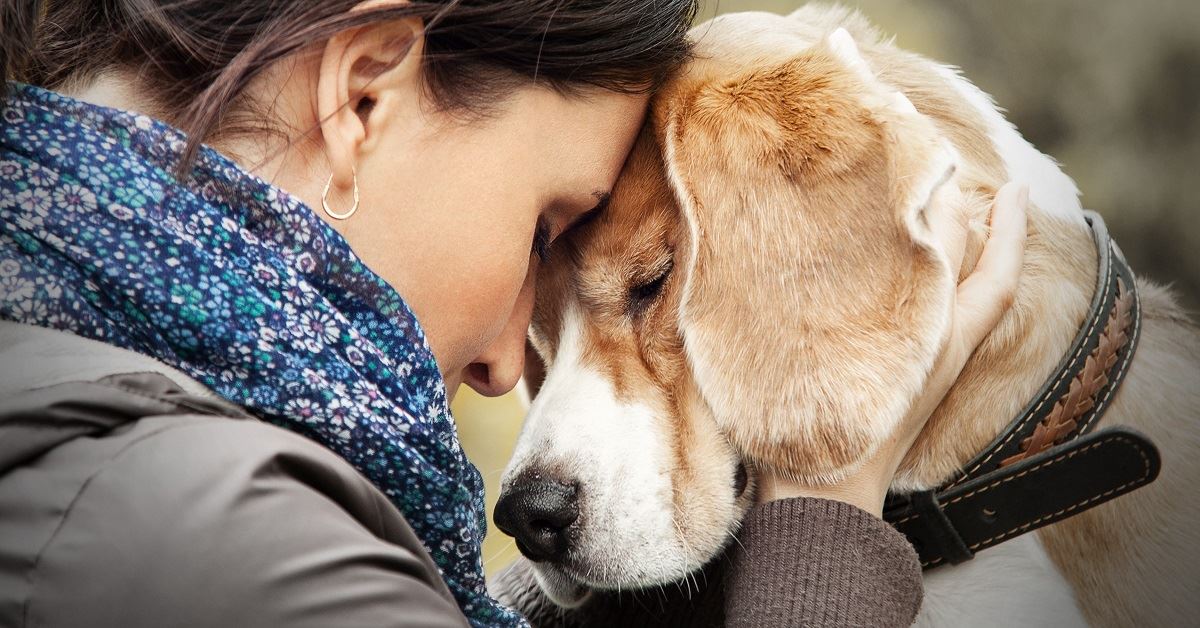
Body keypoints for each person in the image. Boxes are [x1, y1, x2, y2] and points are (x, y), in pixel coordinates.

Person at [0, 1, 1027, 626]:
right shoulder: (220, 541)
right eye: (548, 226)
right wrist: (826, 518)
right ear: (361, 97)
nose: (504, 366)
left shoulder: (62, 380)